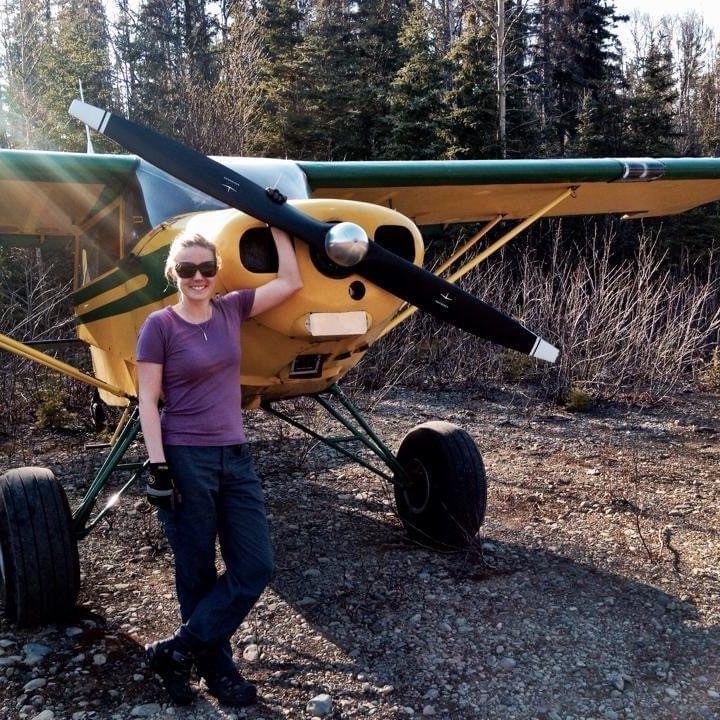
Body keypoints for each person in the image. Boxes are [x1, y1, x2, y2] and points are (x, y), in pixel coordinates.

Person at [135, 228, 302, 706]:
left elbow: (290, 282)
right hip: (186, 456)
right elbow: (147, 401)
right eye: (187, 269)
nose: (198, 277)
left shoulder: (231, 309)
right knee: (196, 568)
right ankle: (218, 671)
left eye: (207, 268)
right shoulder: (159, 326)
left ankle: (178, 650)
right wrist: (158, 467)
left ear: (216, 271)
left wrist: (277, 224)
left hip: (235, 455)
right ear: (173, 272)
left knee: (256, 566)